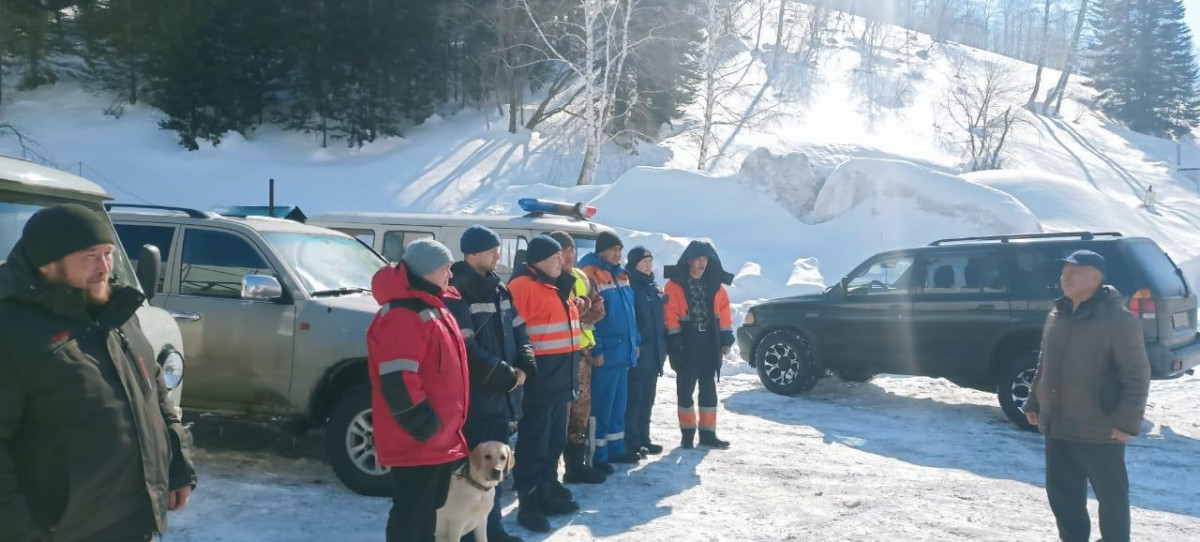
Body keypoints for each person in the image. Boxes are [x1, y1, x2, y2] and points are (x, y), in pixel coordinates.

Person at [0, 204, 197, 542]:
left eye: (108, 253)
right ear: (48, 261)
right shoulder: (12, 330)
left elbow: (153, 393)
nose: (105, 267)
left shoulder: (117, 314)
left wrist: (177, 465)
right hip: (62, 531)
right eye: (90, 256)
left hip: (131, 523)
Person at [1024, 250, 1150, 542]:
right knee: (1063, 495)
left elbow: (1136, 375)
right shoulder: (1058, 313)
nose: (1065, 277)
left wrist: (1127, 423)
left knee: (1111, 498)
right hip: (1058, 424)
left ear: (1096, 277)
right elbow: (1045, 363)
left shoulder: (1119, 320)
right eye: (1063, 271)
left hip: (1100, 426)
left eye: (1074, 271)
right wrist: (1034, 401)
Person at [367, 238, 469, 542]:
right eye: (444, 269)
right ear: (426, 271)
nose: (449, 276)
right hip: (418, 438)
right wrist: (424, 425)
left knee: (426, 511)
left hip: (437, 438)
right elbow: (398, 377)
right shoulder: (403, 314)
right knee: (412, 514)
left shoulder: (432, 306)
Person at [443, 226, 535, 542]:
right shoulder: (457, 292)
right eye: (493, 250)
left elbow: (520, 328)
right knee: (473, 475)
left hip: (501, 397)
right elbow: (465, 347)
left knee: (492, 474)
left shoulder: (499, 288)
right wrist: (506, 375)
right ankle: (472, 533)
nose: (499, 255)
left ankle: (491, 530)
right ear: (473, 253)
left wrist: (525, 360)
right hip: (477, 399)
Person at [508, 235, 584, 533]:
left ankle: (547, 491)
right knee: (534, 443)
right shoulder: (523, 287)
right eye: (556, 257)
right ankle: (528, 504)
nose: (562, 261)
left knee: (554, 441)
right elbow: (514, 333)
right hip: (540, 379)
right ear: (539, 260)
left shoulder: (556, 285)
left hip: (561, 376)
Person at [547, 231, 608, 484]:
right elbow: (558, 315)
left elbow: (599, 309)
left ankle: (575, 465)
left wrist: (579, 309)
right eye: (563, 249)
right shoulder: (548, 280)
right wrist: (580, 310)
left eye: (571, 248)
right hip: (558, 356)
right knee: (559, 415)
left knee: (581, 412)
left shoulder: (581, 276)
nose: (569, 253)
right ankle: (549, 472)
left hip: (581, 354)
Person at [664, 240, 735, 450]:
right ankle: (687, 434)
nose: (702, 263)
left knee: (708, 390)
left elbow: (723, 313)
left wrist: (725, 337)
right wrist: (675, 342)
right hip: (686, 344)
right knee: (685, 391)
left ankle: (708, 434)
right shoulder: (674, 285)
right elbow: (670, 314)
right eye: (698, 259)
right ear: (689, 261)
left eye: (705, 259)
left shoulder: (716, 286)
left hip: (708, 344)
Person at [579, 231, 642, 469]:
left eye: (620, 249)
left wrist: (635, 342)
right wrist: (596, 348)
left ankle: (616, 447)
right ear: (600, 250)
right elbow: (588, 318)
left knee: (618, 405)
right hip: (605, 354)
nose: (618, 254)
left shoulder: (622, 275)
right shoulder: (590, 275)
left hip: (623, 352)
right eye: (613, 249)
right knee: (601, 407)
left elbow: (630, 315)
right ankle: (598, 454)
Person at [626, 246, 667, 456]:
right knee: (635, 399)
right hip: (640, 353)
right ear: (634, 264)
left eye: (650, 261)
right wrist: (638, 344)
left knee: (648, 400)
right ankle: (632, 441)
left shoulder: (653, 286)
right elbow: (632, 321)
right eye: (644, 261)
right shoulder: (631, 285)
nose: (648, 265)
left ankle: (645, 438)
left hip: (655, 353)